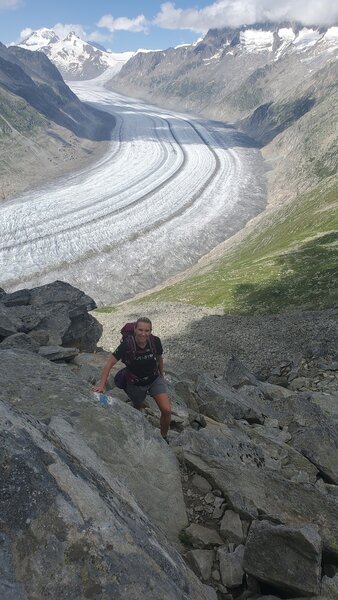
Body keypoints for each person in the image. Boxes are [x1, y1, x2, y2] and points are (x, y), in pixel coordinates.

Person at [92, 317, 172, 441]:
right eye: (140, 330)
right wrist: (101, 386)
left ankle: (164, 437)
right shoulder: (126, 345)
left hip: (154, 379)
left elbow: (159, 358)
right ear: (135, 329)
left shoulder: (155, 341)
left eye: (147, 331)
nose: (143, 334)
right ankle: (139, 421)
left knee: (166, 410)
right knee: (137, 408)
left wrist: (161, 375)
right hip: (135, 383)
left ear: (151, 331)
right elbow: (109, 364)